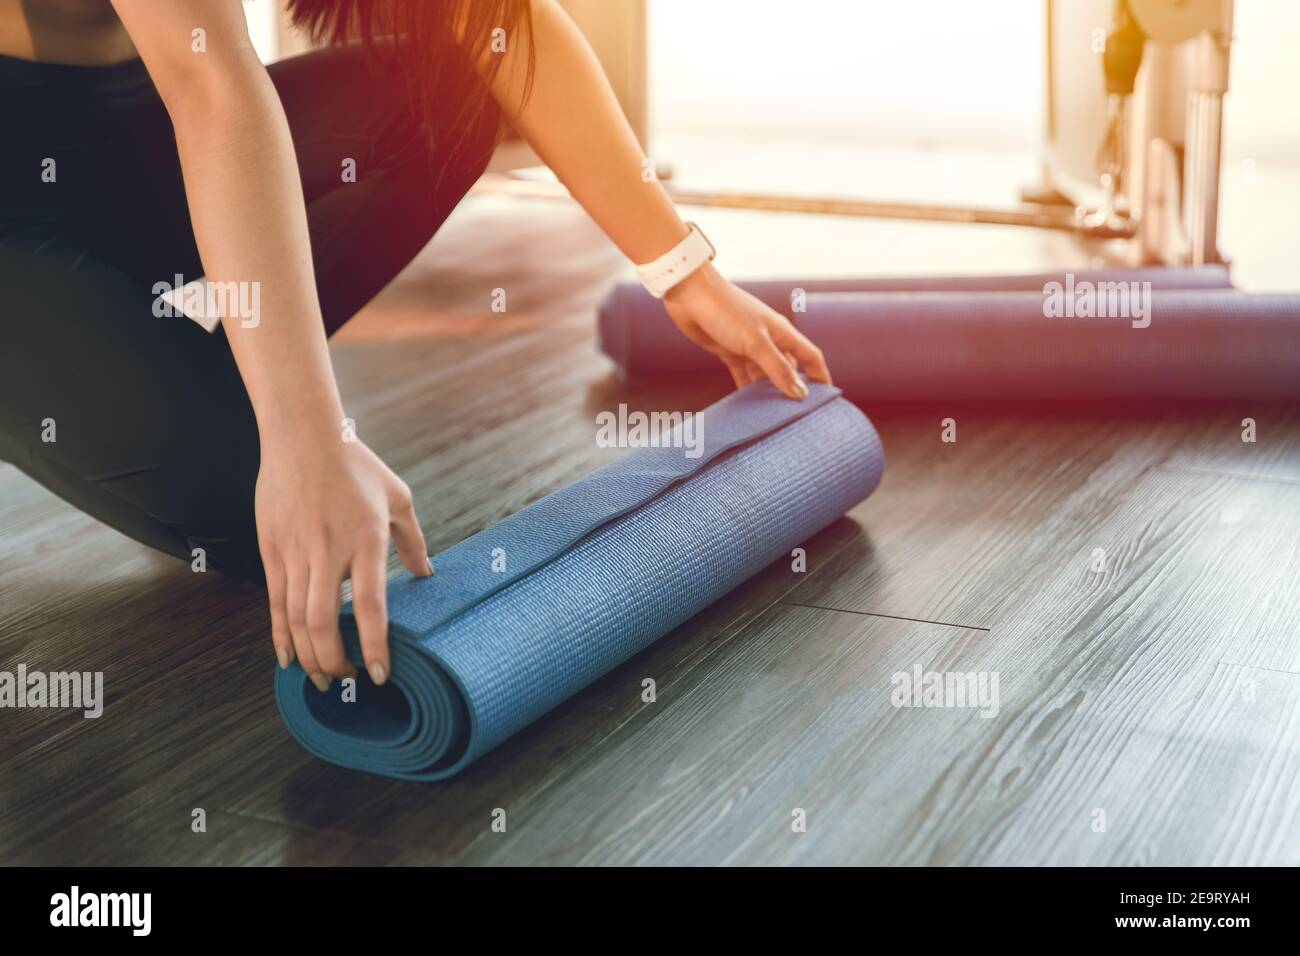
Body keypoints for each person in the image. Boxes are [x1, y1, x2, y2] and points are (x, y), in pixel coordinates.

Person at [0, 0, 829, 693]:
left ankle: (148, 354)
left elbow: (500, 22)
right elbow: (213, 84)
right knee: (260, 504)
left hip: (139, 125)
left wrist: (684, 272)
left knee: (449, 98)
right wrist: (305, 440)